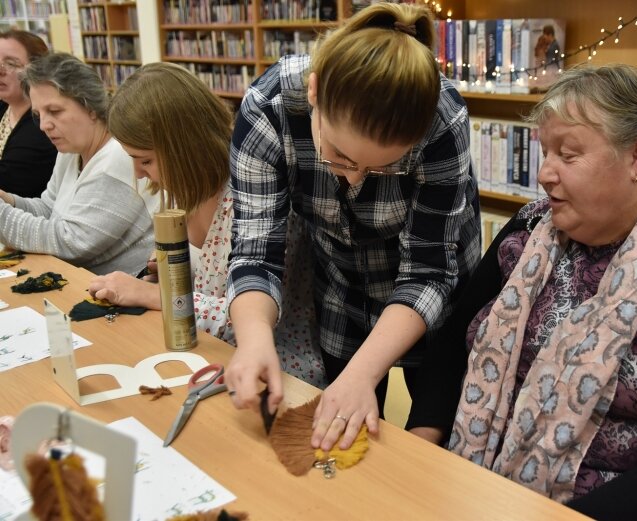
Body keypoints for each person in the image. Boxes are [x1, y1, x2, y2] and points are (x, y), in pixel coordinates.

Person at [406, 63, 637, 520]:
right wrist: (417, 458)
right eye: (546, 152)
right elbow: (453, 343)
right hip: (481, 490)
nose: (544, 174)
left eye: (569, 154)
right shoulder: (532, 227)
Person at [225, 1, 481, 453]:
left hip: (432, 302)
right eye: (339, 158)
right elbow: (254, 251)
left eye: (381, 169)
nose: (355, 178)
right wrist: (254, 339)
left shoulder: (441, 120)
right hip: (342, 288)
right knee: (348, 439)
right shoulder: (267, 109)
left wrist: (364, 373)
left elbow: (427, 273)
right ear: (315, 93)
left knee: (435, 436)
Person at [87, 62, 325, 387]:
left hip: (275, 373)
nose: (140, 175)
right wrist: (175, 276)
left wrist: (155, 296)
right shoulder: (184, 192)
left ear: (184, 150)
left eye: (146, 160)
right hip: (205, 357)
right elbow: (211, 282)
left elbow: (243, 313)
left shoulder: (256, 194)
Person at [0, 52, 157, 275]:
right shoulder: (71, 151)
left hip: (124, 295)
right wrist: (10, 201)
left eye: (54, 111)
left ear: (90, 107)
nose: (44, 125)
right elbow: (49, 209)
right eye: (38, 114)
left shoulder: (118, 155)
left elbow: (71, 243)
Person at [0, 30, 57, 197]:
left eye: (10, 64)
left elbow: (6, 182)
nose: (0, 71)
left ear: (37, 70)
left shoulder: (41, 127)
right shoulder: (5, 105)